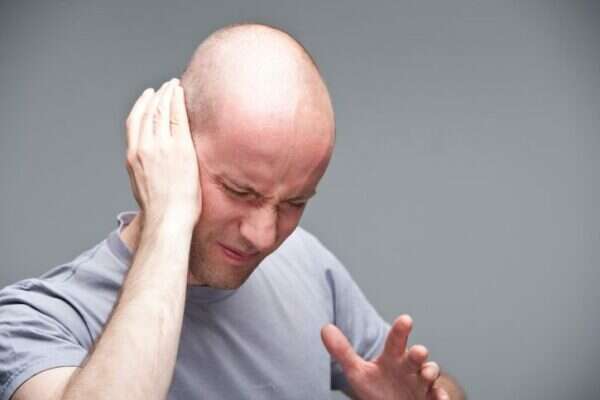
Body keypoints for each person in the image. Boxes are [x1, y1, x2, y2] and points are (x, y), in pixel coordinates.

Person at [0, 23, 465, 400]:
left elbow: (435, 386)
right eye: (240, 191)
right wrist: (169, 219)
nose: (264, 235)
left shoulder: (305, 261)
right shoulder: (35, 320)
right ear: (171, 146)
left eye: (295, 203)